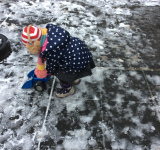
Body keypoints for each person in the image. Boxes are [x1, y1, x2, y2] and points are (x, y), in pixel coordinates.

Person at [21, 24, 95, 98]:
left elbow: (52, 67)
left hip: (76, 63)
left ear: (36, 45)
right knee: (67, 65)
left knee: (59, 73)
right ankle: (74, 79)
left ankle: (68, 89)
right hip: (82, 55)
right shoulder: (53, 34)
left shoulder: (51, 50)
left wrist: (48, 73)